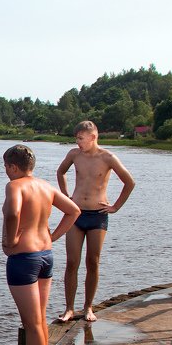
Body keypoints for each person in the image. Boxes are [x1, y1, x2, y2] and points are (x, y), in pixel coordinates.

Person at [1, 144, 80, 345]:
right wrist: (53, 236)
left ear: (13, 166)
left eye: (6, 167)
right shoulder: (46, 186)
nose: (5, 172)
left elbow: (13, 212)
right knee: (40, 321)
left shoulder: (15, 186)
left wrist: (9, 241)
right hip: (45, 256)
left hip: (24, 259)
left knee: (32, 325)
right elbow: (74, 211)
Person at [55, 121, 136, 323]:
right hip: (75, 214)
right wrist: (66, 197)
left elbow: (129, 182)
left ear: (93, 137)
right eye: (76, 138)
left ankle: (88, 307)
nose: (78, 142)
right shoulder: (74, 155)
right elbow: (60, 172)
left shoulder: (107, 157)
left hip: (98, 215)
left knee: (93, 262)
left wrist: (116, 206)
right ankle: (69, 309)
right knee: (72, 261)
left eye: (81, 138)